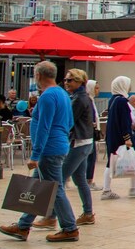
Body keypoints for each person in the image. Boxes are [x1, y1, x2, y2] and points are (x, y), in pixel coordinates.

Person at [0, 61, 79, 243]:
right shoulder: (63, 94)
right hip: (58, 145)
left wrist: (35, 154)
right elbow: (70, 122)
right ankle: (23, 225)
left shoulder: (48, 96)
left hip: (49, 149)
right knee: (38, 187)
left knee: (54, 189)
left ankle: (70, 227)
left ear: (39, 76)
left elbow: (44, 126)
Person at [32, 69, 97, 230]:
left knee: (57, 183)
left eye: (70, 80)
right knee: (80, 179)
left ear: (80, 82)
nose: (67, 83)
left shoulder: (78, 99)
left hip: (78, 143)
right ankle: (88, 213)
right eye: (66, 80)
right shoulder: (83, 97)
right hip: (85, 142)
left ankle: (51, 217)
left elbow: (68, 121)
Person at [101, 76, 135, 200]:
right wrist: (127, 138)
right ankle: (132, 188)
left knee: (110, 162)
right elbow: (124, 121)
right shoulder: (122, 101)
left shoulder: (112, 99)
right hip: (121, 136)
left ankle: (107, 189)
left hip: (112, 135)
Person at [84, 80, 101, 191]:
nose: (98, 90)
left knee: (90, 157)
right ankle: (88, 180)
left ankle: (87, 179)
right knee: (91, 157)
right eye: (96, 88)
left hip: (91, 133)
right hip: (88, 134)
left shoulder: (91, 100)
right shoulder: (88, 101)